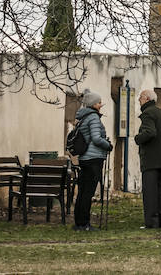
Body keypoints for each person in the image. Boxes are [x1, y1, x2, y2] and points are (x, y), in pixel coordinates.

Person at [70, 89, 113, 231]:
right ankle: (84, 224)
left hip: (85, 158)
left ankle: (79, 222)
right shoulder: (93, 117)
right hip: (93, 158)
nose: (101, 105)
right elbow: (95, 138)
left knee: (82, 191)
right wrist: (107, 145)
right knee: (88, 192)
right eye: (99, 102)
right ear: (93, 104)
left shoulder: (83, 117)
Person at [135, 88, 161, 229]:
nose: (139, 99)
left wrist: (138, 138)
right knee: (159, 191)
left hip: (151, 159)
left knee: (150, 193)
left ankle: (151, 222)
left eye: (141, 97)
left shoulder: (148, 113)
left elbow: (149, 132)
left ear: (148, 99)